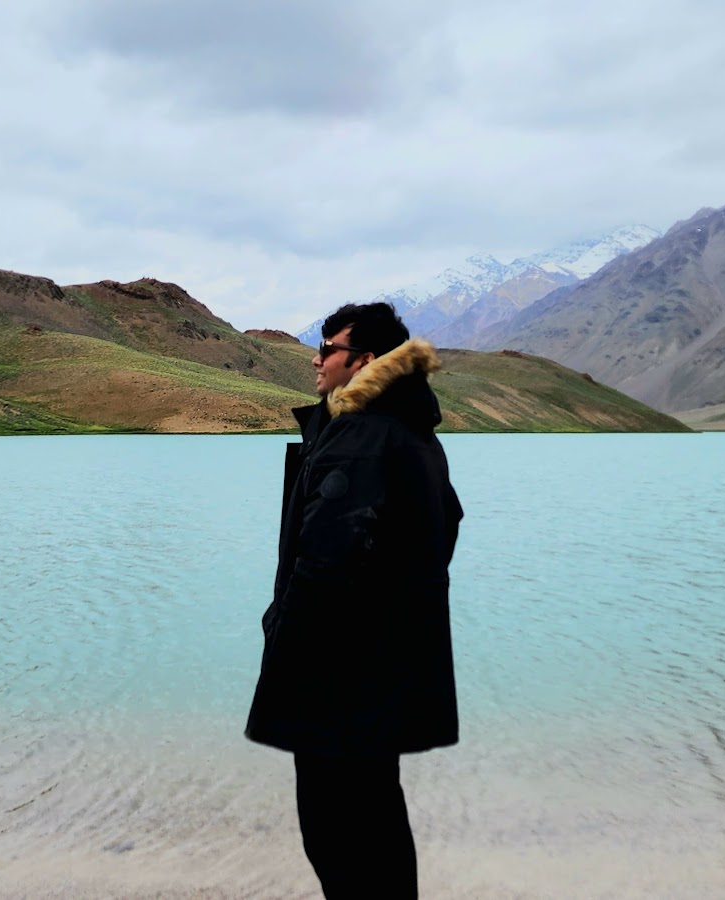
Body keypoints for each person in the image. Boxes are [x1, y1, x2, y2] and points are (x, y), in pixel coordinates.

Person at [245, 302, 463, 899]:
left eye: (328, 349)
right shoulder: (411, 431)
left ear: (363, 361)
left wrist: (284, 642)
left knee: (335, 829)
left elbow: (326, 559)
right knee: (377, 817)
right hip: (384, 669)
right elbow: (447, 524)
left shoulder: (360, 436)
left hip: (337, 675)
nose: (316, 360)